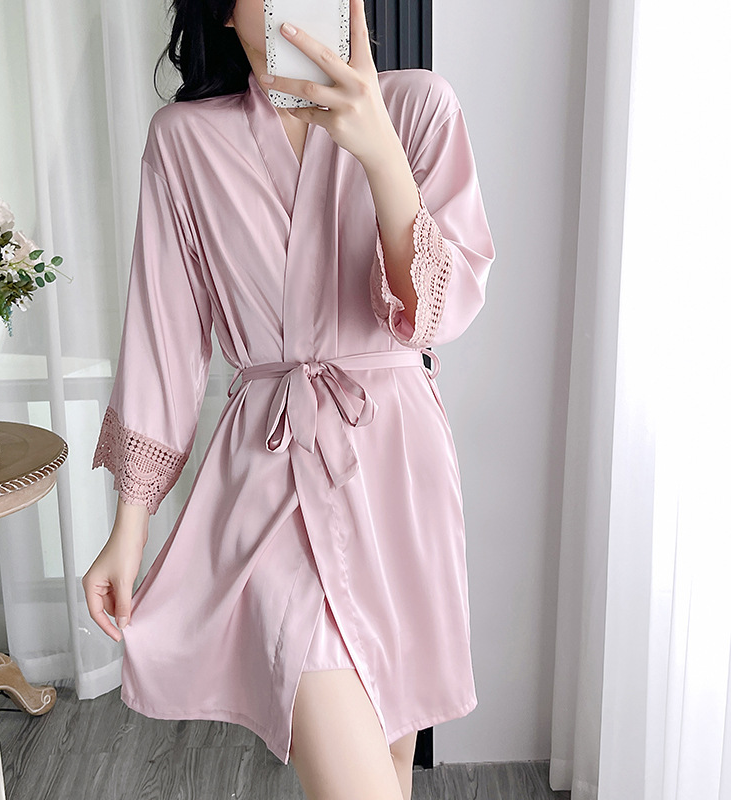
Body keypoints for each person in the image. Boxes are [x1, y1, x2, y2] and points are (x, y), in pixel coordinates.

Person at [82, 0, 496, 797]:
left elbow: (436, 315)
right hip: (269, 473)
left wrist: (378, 148)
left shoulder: (419, 106)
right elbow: (163, 341)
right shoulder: (183, 141)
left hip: (395, 472)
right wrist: (129, 527)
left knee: (389, 764)